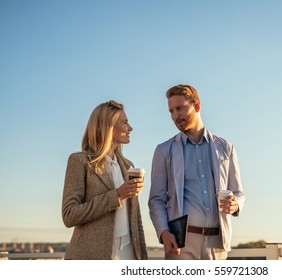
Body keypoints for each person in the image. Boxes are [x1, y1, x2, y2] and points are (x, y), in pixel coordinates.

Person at [148, 84, 245, 260]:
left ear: (197, 106)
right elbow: (156, 200)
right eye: (171, 111)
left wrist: (235, 204)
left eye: (180, 108)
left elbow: (238, 192)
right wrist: (163, 232)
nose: (175, 115)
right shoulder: (163, 150)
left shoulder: (226, 148)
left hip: (218, 243)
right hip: (181, 243)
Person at [62, 100, 148, 260]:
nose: (130, 128)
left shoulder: (129, 166)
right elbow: (69, 215)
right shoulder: (79, 161)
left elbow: (136, 218)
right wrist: (117, 196)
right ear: (109, 126)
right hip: (92, 256)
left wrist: (142, 258)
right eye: (125, 122)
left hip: (128, 254)